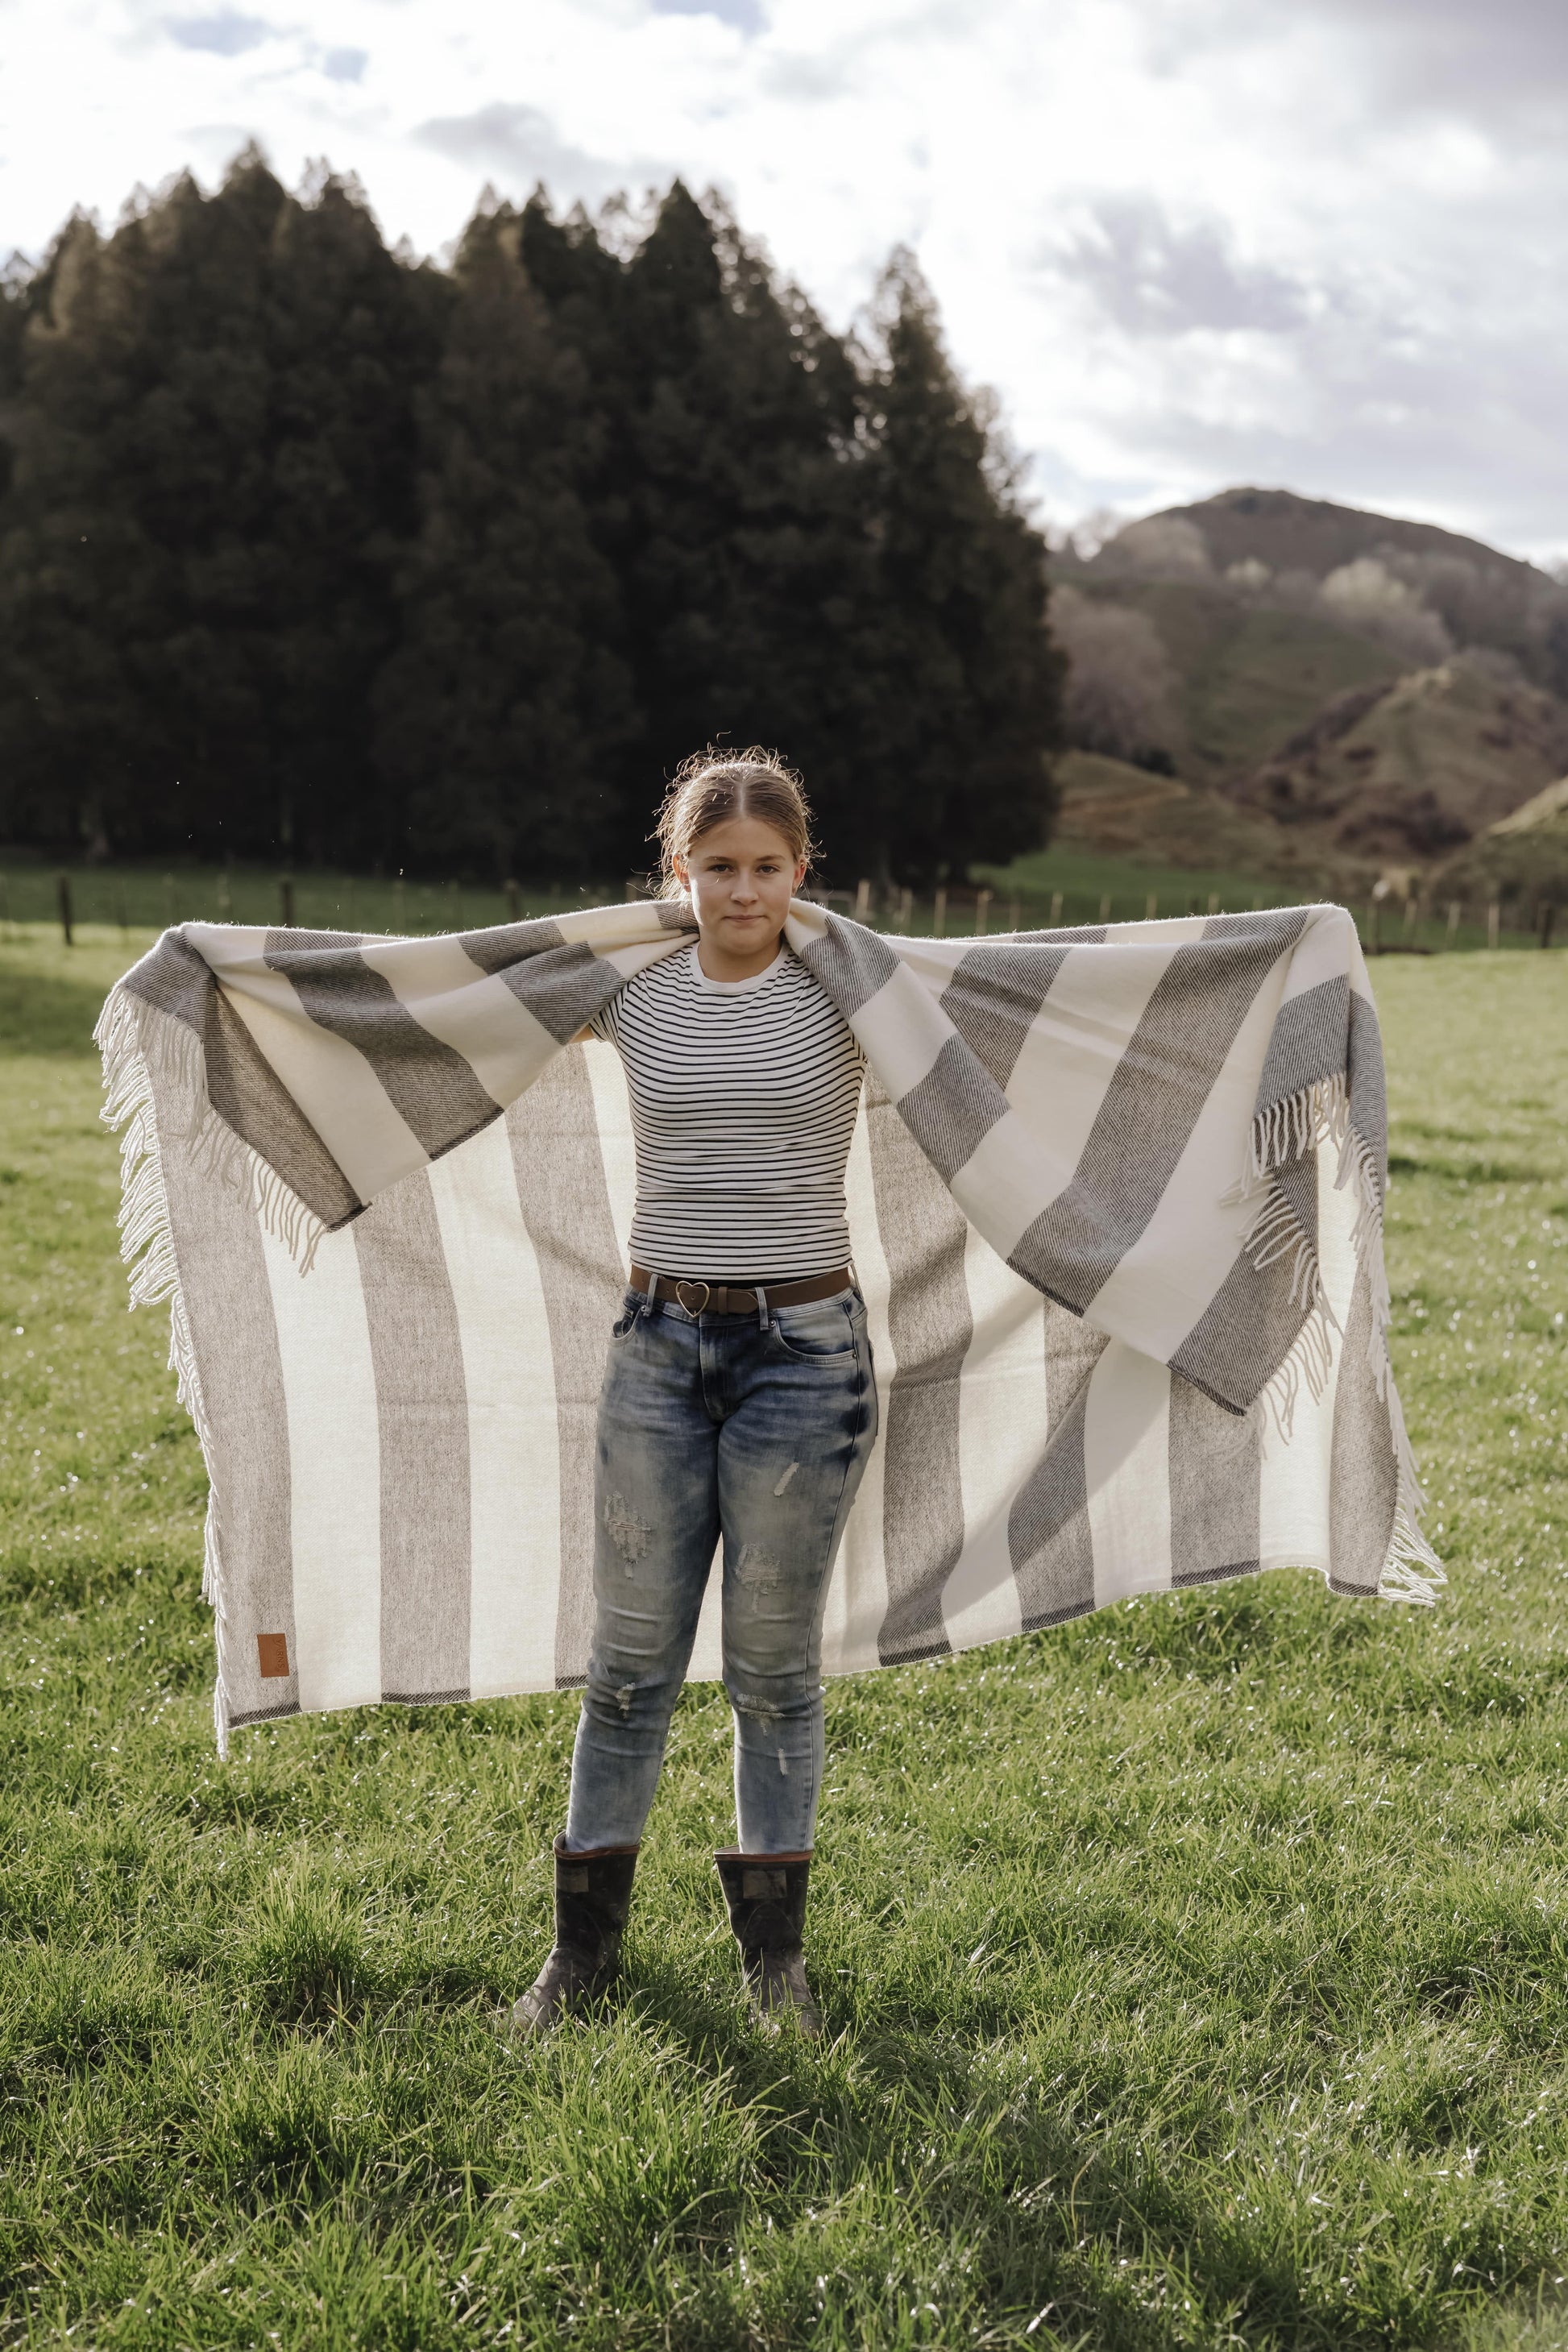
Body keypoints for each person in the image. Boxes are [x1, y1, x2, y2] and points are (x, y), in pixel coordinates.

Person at [511, 749, 878, 2039]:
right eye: (716, 868)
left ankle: (773, 1973)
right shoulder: (635, 989)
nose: (741, 892)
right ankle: (578, 1968)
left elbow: (1026, 1010)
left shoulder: (851, 988)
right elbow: (453, 999)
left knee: (772, 1673)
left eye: (765, 868)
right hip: (658, 1350)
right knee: (626, 1669)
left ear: (798, 871)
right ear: (678, 873)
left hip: (806, 1360)